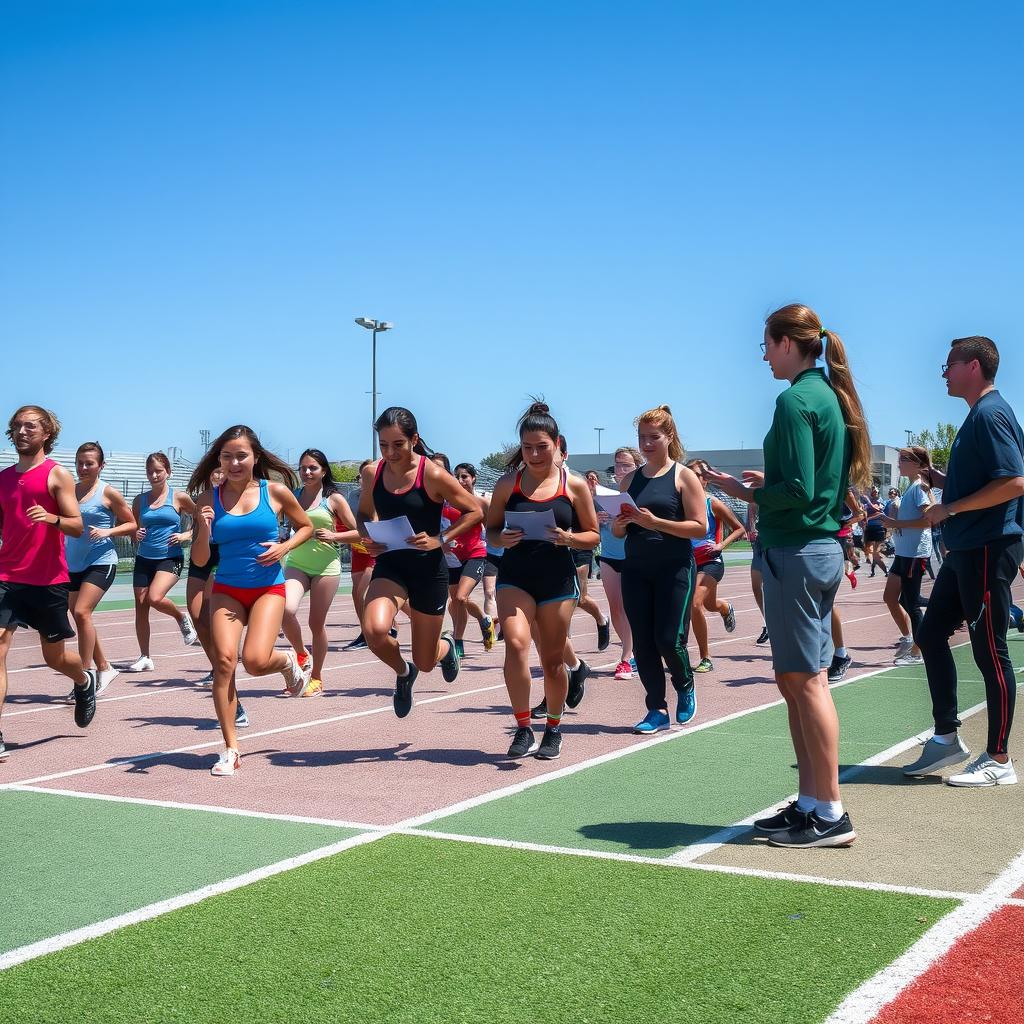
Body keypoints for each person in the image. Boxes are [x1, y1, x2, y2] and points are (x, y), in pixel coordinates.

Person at [707, 304, 871, 848]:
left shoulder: (796, 398)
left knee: (806, 682)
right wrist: (765, 480)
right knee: (798, 681)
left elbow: (799, 490)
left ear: (785, 343)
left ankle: (829, 811)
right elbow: (811, 480)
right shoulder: (825, 395)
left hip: (797, 551)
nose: (763, 356)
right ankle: (811, 802)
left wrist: (743, 491)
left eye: (765, 345)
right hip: (813, 549)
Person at [902, 336, 1024, 787]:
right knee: (931, 633)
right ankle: (947, 736)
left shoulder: (990, 414)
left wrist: (949, 508)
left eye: (948, 365)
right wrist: (940, 481)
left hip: (988, 546)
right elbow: (984, 480)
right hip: (968, 548)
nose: (943, 373)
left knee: (990, 651)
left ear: (973, 366)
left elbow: (1013, 482)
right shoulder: (979, 416)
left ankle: (999, 758)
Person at [189, 425, 315, 776]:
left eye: (241, 455)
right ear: (219, 460)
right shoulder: (207, 500)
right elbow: (200, 560)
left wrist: (283, 547)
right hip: (227, 589)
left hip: (268, 588)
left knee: (256, 661)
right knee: (225, 663)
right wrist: (203, 527)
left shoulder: (274, 491)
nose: (234, 463)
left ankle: (288, 663)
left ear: (255, 458)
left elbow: (305, 527)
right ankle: (230, 748)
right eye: (226, 456)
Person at [487, 401, 600, 760]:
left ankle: (553, 728)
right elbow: (490, 531)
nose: (534, 454)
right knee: (517, 645)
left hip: (557, 579)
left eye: (542, 447)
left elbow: (593, 535)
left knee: (551, 660)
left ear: (557, 445)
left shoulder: (575, 485)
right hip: (515, 576)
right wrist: (499, 539)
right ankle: (523, 728)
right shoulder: (508, 484)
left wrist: (568, 538)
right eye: (527, 448)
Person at [357, 408, 482, 718]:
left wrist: (440, 538)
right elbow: (363, 513)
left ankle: (446, 648)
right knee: (374, 629)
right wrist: (367, 537)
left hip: (428, 569)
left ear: (413, 439)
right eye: (383, 444)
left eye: (397, 444)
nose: (390, 452)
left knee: (426, 660)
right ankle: (403, 672)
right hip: (391, 564)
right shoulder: (373, 473)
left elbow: (474, 511)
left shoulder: (433, 474)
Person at [0, 406, 97, 760]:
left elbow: (76, 525)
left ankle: (84, 680)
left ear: (46, 434)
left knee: (54, 657)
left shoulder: (57, 476)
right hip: (7, 576)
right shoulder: (3, 479)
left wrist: (51, 517)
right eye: (17, 426)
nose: (22, 431)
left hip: (47, 580)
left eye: (30, 426)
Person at [613, 406, 706, 735]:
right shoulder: (629, 479)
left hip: (675, 568)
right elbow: (617, 532)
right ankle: (656, 708)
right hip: (636, 570)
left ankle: (685, 684)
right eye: (642, 438)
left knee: (669, 639)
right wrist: (622, 524)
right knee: (643, 643)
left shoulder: (684, 476)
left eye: (654, 437)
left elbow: (699, 527)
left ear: (670, 437)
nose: (647, 444)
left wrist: (656, 523)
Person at [282, 449, 360, 697]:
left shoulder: (333, 499)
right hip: (296, 562)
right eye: (303, 468)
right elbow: (283, 528)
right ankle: (301, 653)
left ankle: (316, 677)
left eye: (312, 468)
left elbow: (359, 532)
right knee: (285, 610)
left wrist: (335, 535)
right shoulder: (292, 496)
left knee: (316, 623)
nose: (306, 472)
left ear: (323, 470)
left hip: (326, 567)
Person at [64, 442, 137, 699]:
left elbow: (131, 524)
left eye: (89, 463)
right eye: (80, 462)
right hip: (73, 563)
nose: (83, 467)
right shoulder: (69, 492)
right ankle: (105, 667)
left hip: (102, 561)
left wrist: (108, 531)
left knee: (82, 612)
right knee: (78, 615)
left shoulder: (108, 493)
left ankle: (85, 677)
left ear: (100, 466)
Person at [128, 452, 198, 672]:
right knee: (141, 607)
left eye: (159, 470)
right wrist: (135, 534)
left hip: (170, 557)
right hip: (144, 558)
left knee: (155, 598)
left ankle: (181, 617)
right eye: (150, 471)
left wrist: (186, 536)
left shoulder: (179, 497)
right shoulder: (140, 500)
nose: (154, 475)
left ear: (168, 472)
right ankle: (145, 656)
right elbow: (133, 528)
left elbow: (202, 519)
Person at [686, 459, 744, 672]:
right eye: (688, 474)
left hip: (710, 560)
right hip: (689, 562)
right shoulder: (681, 504)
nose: (692, 478)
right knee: (709, 605)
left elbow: (740, 529)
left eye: (697, 475)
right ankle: (724, 607)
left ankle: (705, 658)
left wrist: (721, 546)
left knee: (694, 604)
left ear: (705, 480)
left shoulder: (713, 503)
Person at [880, 447, 934, 668]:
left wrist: (896, 524)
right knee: (891, 597)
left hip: (915, 552)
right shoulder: (909, 487)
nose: (899, 463)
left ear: (917, 464)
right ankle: (908, 638)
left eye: (903, 459)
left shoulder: (920, 488)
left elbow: (928, 520)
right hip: (904, 552)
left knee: (911, 604)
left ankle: (917, 652)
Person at [597, 447, 642, 678]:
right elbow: (589, 527)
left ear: (637, 467)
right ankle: (630, 654)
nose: (621, 470)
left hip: (634, 556)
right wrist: (597, 518)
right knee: (615, 608)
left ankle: (627, 657)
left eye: (626, 465)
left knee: (632, 608)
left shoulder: (643, 490)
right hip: (609, 556)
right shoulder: (604, 494)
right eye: (617, 465)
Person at [445, 463, 496, 658]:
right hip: (451, 558)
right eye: (456, 476)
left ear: (473, 478)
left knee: (460, 597)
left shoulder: (481, 503)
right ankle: (461, 639)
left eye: (464, 476)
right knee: (457, 603)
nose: (460, 480)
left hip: (475, 554)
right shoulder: (447, 502)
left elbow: (494, 531)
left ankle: (481, 622)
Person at [747, 500, 769, 646]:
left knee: (774, 586)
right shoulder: (754, 498)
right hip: (759, 543)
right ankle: (768, 623)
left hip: (774, 542)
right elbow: (750, 517)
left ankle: (778, 624)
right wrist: (751, 529)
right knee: (756, 586)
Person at [861, 486, 889, 577]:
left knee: (875, 553)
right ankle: (873, 569)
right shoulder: (867, 503)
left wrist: (868, 517)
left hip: (879, 528)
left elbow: (879, 511)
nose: (874, 493)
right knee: (871, 552)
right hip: (870, 529)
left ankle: (886, 570)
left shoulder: (881, 501)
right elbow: (863, 514)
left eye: (875, 492)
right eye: (872, 492)